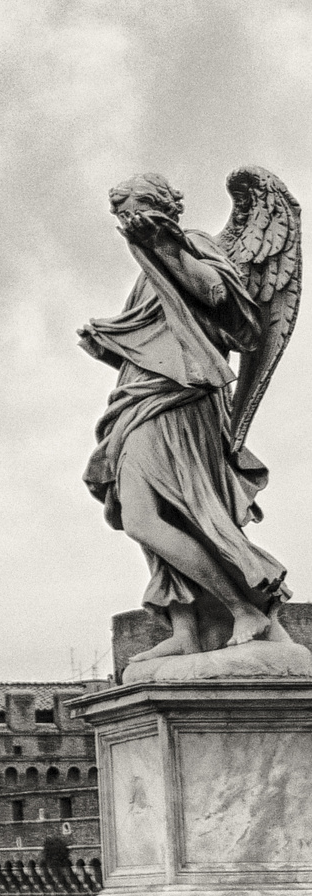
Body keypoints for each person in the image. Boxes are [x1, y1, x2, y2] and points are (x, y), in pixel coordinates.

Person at [81, 172, 295, 658]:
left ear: (160, 207)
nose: (126, 220)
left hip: (181, 399)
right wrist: (110, 344)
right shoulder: (144, 269)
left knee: (165, 512)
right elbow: (162, 336)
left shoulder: (190, 243)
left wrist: (169, 250)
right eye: (120, 215)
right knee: (147, 512)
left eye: (133, 208)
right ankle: (186, 628)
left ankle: (246, 608)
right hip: (139, 395)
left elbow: (223, 302)